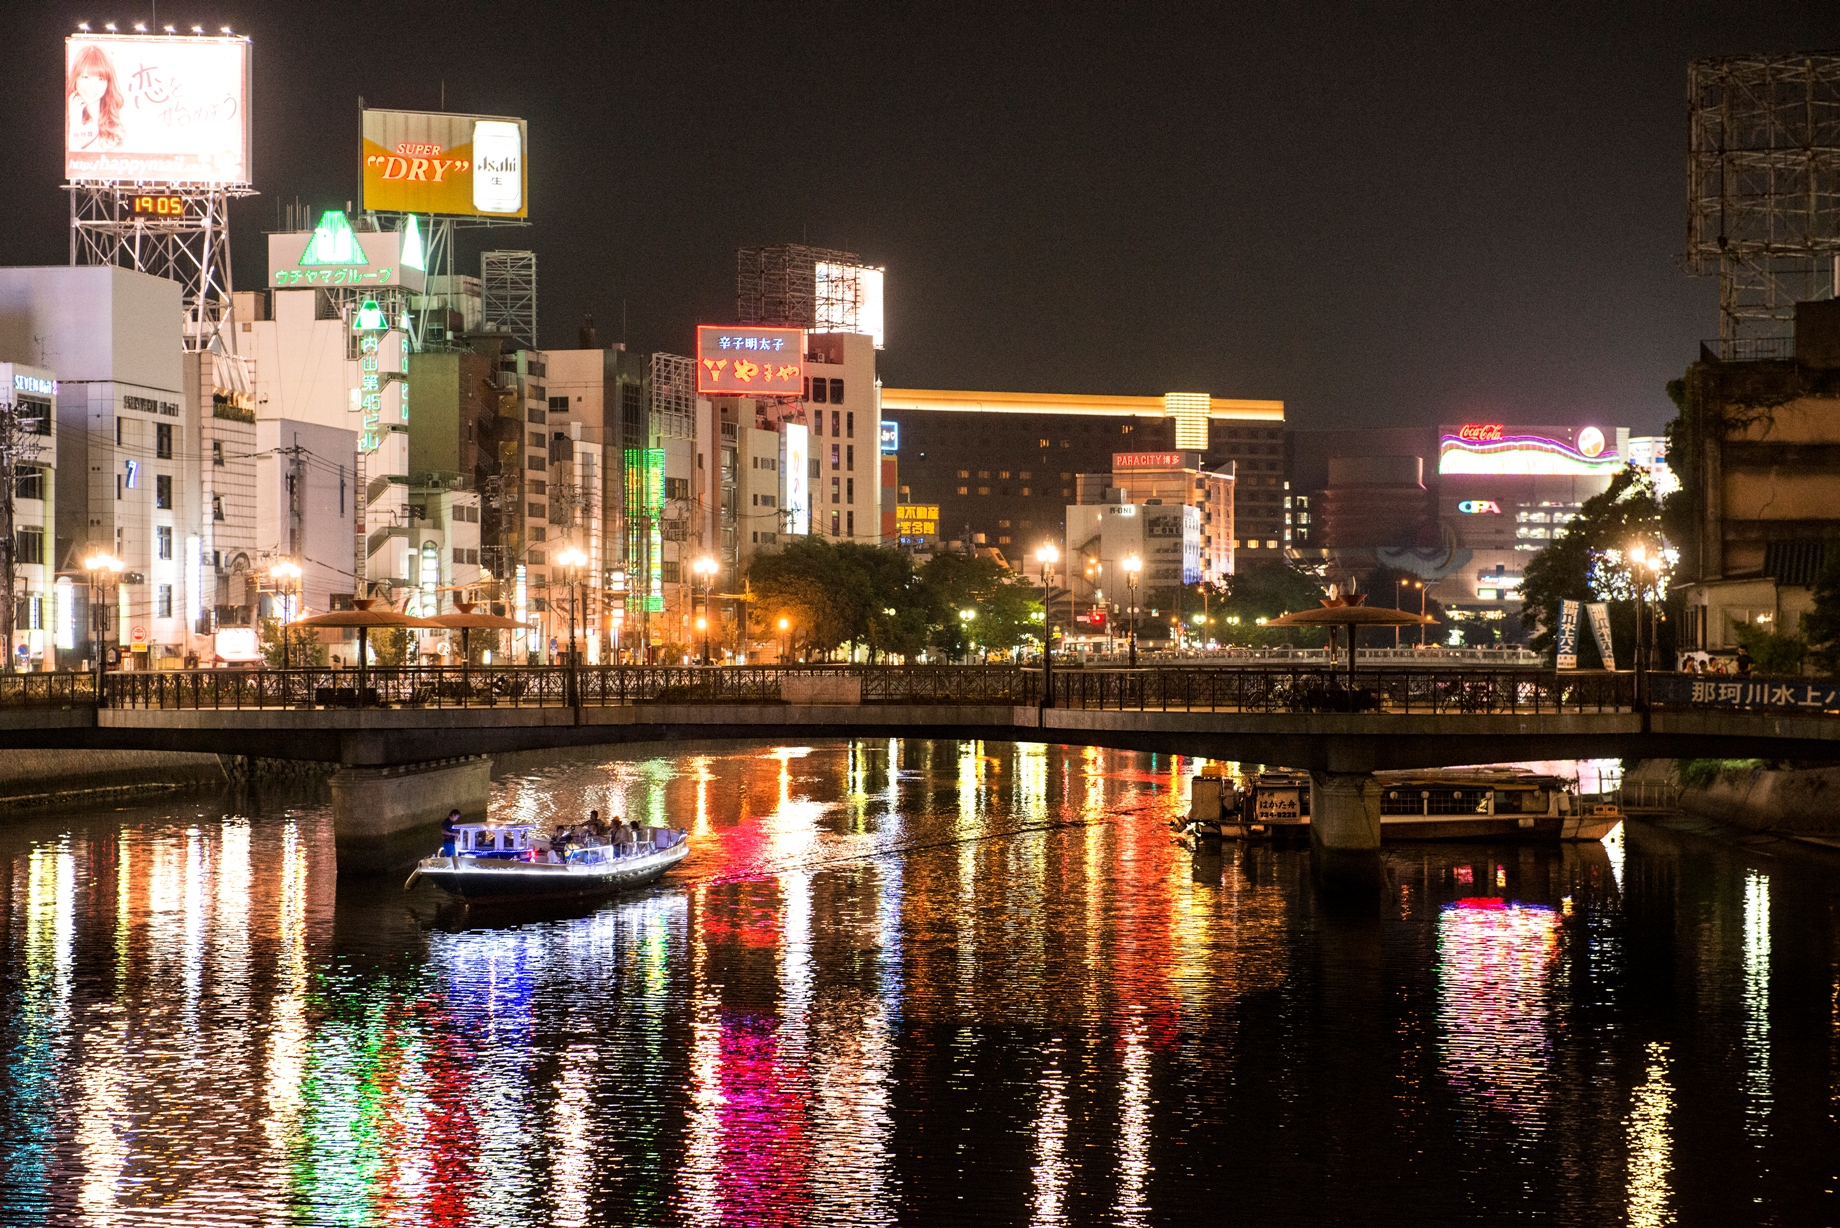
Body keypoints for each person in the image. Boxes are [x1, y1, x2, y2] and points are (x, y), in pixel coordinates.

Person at [67, 43, 124, 153]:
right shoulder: (62, 117)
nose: (92, 87)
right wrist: (74, 124)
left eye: (101, 79)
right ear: (75, 77)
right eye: (86, 77)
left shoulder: (118, 120)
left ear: (108, 82)